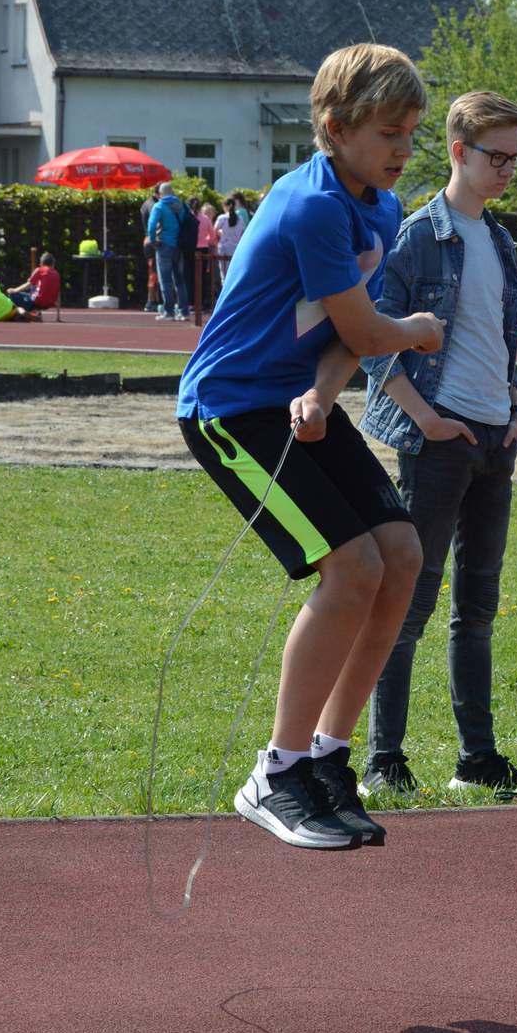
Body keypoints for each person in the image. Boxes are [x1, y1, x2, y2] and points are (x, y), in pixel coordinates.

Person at [176, 42, 443, 851]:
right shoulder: (315, 206)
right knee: (352, 567)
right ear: (334, 127)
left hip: (293, 401)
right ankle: (276, 772)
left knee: (401, 554)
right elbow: (369, 327)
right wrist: (417, 330)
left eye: (410, 133)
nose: (403, 149)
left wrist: (324, 394)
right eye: (388, 134)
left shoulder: (380, 206)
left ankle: (328, 758)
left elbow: (341, 336)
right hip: (231, 410)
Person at [361, 91, 517, 801]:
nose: (508, 170)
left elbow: (499, 341)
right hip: (438, 444)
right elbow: (373, 340)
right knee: (409, 604)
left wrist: (514, 408)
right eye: (497, 157)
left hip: (496, 442)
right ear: (459, 152)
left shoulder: (499, 241)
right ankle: (384, 760)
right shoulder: (417, 236)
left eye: (516, 159)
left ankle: (478, 760)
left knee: (477, 610)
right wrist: (427, 421)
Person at [147, 180, 191, 321]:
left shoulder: (159, 206)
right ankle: (184, 311)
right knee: (179, 280)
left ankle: (169, 312)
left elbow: (151, 225)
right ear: (172, 192)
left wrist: (153, 240)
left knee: (165, 280)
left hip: (164, 245)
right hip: (179, 245)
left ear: (160, 194)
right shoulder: (181, 205)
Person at [196, 194, 221, 312]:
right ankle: (207, 301)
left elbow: (214, 238)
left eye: (210, 213)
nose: (208, 215)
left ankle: (211, 300)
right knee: (207, 277)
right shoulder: (206, 222)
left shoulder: (213, 223)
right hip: (208, 250)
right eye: (206, 213)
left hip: (212, 252)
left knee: (213, 277)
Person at [214, 195, 247, 281]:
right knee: (234, 272)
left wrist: (222, 233)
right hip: (235, 248)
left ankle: (224, 288)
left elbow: (215, 230)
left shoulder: (222, 218)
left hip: (223, 248)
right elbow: (243, 233)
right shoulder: (240, 219)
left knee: (223, 273)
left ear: (227, 206)